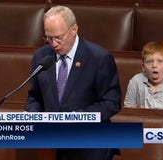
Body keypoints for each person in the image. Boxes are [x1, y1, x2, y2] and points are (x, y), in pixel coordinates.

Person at [26, 5, 122, 160]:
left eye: (58, 37)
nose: (54, 44)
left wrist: (80, 118)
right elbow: (34, 97)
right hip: (52, 147)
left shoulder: (99, 58)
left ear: (74, 30)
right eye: (48, 38)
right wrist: (36, 117)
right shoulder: (41, 57)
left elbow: (112, 102)